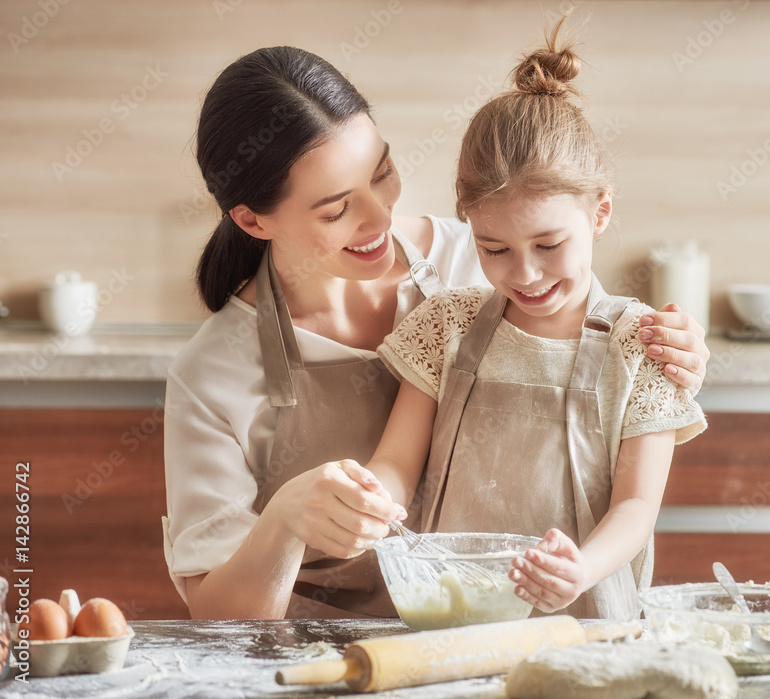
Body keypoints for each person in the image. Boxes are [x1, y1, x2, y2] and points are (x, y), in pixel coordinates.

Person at [163, 45, 711, 620]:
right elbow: (218, 618)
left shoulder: (485, 253)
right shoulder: (213, 373)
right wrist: (285, 520)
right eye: (335, 210)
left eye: (381, 173)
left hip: (521, 621)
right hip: (326, 648)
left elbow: (582, 313)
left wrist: (675, 349)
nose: (379, 220)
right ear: (253, 220)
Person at [353, 21, 707, 620]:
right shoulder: (447, 324)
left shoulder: (641, 345)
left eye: (548, 245)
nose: (525, 274)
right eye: (494, 250)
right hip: (450, 614)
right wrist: (367, 499)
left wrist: (580, 570)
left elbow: (636, 508)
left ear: (600, 212)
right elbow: (396, 463)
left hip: (587, 620)